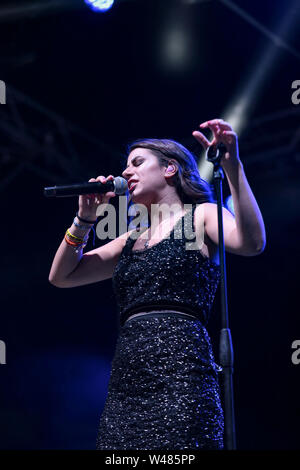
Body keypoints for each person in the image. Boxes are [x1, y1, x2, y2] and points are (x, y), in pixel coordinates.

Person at [49, 118, 266, 450]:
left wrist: (232, 166)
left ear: (170, 169)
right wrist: (85, 220)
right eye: (125, 167)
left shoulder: (202, 215)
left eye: (137, 163)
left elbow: (252, 243)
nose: (126, 173)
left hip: (181, 374)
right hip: (127, 382)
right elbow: (62, 276)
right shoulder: (129, 239)